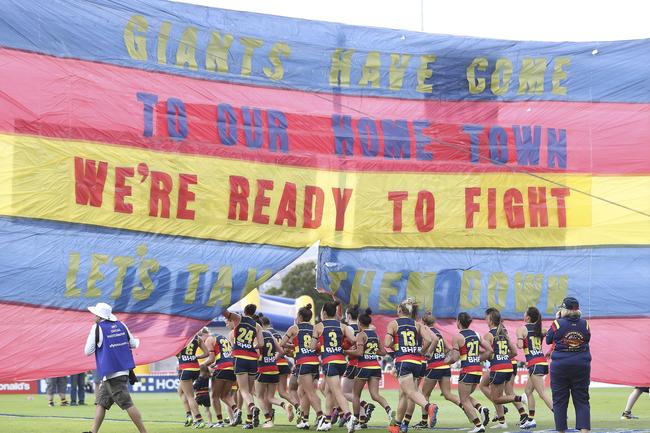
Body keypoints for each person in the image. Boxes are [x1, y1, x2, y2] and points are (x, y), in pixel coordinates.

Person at [82, 302, 147, 433]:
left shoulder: (97, 328)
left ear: (100, 317)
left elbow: (87, 351)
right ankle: (93, 432)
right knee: (101, 403)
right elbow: (133, 344)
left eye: (95, 314)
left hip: (111, 373)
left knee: (127, 404)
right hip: (122, 370)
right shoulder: (121, 325)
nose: (93, 316)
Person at [384, 298, 438, 432]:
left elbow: (386, 343)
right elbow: (430, 339)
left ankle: (428, 407)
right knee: (404, 394)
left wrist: (393, 345)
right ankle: (396, 425)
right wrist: (421, 351)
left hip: (403, 360)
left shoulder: (393, 323)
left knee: (410, 392)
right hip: (417, 362)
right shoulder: (417, 324)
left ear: (400, 310)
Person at [546, 297, 591, 433]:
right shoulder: (585, 324)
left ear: (564, 309)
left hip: (560, 366)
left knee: (559, 400)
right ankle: (584, 431)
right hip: (581, 365)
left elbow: (548, 339)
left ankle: (561, 430)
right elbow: (587, 338)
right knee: (582, 400)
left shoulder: (557, 323)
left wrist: (557, 319)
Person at [345, 308, 394, 432]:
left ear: (359, 323)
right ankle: (389, 411)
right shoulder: (375, 334)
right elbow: (383, 352)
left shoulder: (361, 334)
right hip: (375, 367)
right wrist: (371, 351)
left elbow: (359, 352)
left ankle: (355, 422)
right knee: (375, 395)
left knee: (356, 395)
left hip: (364, 367)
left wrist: (344, 351)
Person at [311, 300, 354, 430]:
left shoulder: (319, 326)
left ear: (324, 313)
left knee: (336, 391)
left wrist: (320, 346)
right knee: (328, 391)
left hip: (330, 362)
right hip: (341, 361)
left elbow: (312, 347)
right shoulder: (342, 326)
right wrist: (342, 346)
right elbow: (353, 340)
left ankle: (349, 417)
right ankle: (327, 421)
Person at [281, 304, 326, 430]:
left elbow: (282, 343)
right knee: (303, 391)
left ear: (300, 316)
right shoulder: (314, 328)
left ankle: (321, 417)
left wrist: (293, 346)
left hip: (303, 362)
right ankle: (305, 420)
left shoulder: (294, 328)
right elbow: (317, 346)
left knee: (309, 392)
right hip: (314, 362)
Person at [447, 312, 493, 433]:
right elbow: (489, 350)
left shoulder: (457, 337)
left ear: (458, 322)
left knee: (463, 400)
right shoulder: (476, 334)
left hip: (467, 370)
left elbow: (455, 356)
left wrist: (446, 361)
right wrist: (478, 359)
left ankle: (478, 425)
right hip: (477, 370)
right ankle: (480, 409)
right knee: (466, 397)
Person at [482, 308, 527, 429]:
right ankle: (502, 421)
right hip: (508, 366)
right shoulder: (503, 333)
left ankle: (520, 399)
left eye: (486, 317)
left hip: (498, 367)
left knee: (497, 398)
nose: (485, 319)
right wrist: (504, 357)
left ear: (491, 319)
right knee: (487, 388)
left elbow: (487, 352)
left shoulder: (489, 335)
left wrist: (479, 358)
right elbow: (514, 351)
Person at [225, 304, 265, 429]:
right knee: (250, 390)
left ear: (244, 311)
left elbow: (224, 313)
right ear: (253, 313)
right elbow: (261, 343)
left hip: (240, 357)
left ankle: (252, 408)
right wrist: (251, 347)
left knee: (243, 390)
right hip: (253, 359)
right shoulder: (257, 325)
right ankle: (249, 421)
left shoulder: (238, 318)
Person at [517, 306, 553, 429]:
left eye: (524, 313)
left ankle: (559, 414)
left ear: (527, 317)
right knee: (527, 391)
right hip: (542, 362)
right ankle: (531, 419)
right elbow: (554, 338)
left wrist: (519, 339)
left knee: (542, 394)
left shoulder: (522, 329)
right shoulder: (541, 329)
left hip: (534, 363)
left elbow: (520, 346)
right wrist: (550, 351)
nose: (523, 314)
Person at [256, 314, 294, 428]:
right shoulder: (270, 334)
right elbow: (281, 352)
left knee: (259, 396)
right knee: (270, 397)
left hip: (263, 368)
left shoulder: (256, 336)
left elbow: (257, 355)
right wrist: (272, 359)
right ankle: (285, 405)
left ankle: (268, 420)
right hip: (274, 368)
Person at [177, 329, 211, 428]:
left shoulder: (181, 338)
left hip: (185, 369)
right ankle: (188, 416)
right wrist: (195, 357)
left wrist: (182, 356)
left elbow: (176, 353)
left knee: (190, 396)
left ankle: (199, 419)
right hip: (196, 368)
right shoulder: (198, 338)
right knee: (180, 391)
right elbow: (207, 353)